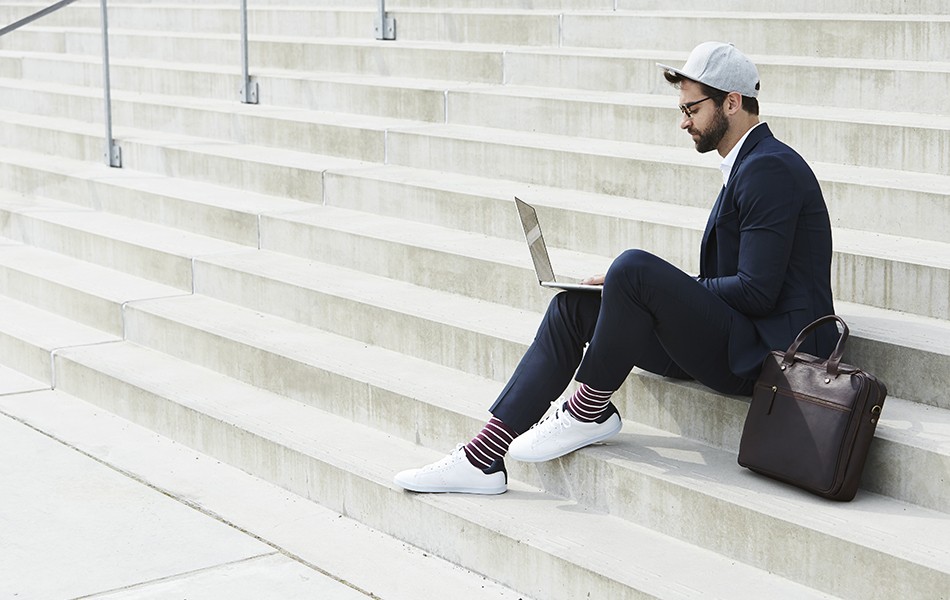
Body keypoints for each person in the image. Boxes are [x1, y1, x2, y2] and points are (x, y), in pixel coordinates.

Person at [394, 42, 837, 495]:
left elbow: (757, 291)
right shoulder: (748, 164)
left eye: (691, 108)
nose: (683, 121)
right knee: (574, 308)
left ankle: (588, 410)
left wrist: (649, 285)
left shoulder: (770, 168)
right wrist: (635, 292)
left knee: (631, 267)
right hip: (738, 337)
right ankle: (482, 456)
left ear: (732, 102)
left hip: (771, 356)